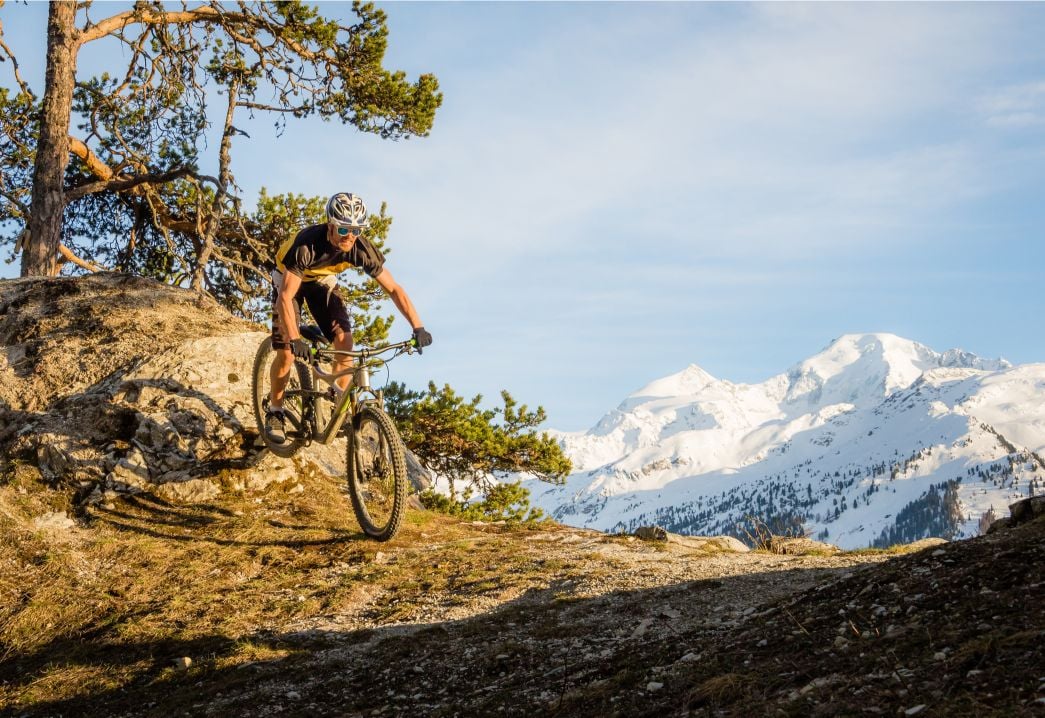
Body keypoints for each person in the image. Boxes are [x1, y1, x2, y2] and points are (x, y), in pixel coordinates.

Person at [265, 192, 432, 444]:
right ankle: (275, 411)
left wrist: (418, 327)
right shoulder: (307, 245)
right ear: (331, 225)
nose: (350, 236)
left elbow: (394, 289)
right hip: (288, 281)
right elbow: (286, 297)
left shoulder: (360, 248)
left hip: (321, 280)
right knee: (286, 352)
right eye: (344, 230)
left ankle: (337, 403)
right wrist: (295, 338)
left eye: (357, 229)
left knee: (345, 341)